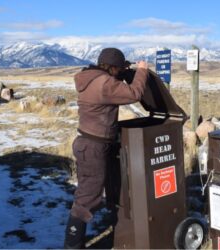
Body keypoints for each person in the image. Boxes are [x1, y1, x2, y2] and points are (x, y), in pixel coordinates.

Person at [64, 48, 148, 249]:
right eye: (120, 69)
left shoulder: (91, 78)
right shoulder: (104, 83)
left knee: (88, 191)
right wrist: (142, 71)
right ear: (112, 67)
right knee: (87, 197)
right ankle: (73, 245)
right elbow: (134, 93)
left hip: (88, 143)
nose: (121, 72)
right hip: (94, 147)